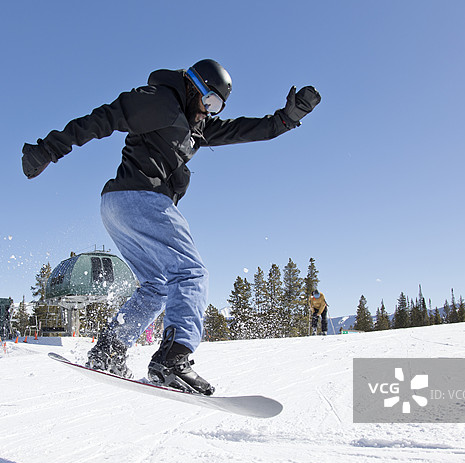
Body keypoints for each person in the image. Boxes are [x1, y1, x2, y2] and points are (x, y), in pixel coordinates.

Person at [23, 59, 321, 395]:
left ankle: (110, 349)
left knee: (157, 286)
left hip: (118, 207)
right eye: (209, 102)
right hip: (142, 199)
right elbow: (104, 117)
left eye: (217, 106)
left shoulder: (197, 127)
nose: (209, 112)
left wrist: (286, 119)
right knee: (191, 272)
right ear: (194, 86)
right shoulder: (158, 100)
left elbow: (246, 129)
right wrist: (50, 148)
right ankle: (173, 357)